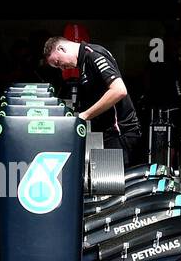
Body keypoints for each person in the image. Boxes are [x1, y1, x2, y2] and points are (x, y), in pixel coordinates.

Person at [42, 36, 145, 165]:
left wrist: (85, 116)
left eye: (58, 63)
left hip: (121, 134)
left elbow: (119, 90)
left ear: (61, 48)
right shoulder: (84, 62)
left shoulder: (93, 55)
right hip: (109, 134)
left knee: (116, 183)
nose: (62, 69)